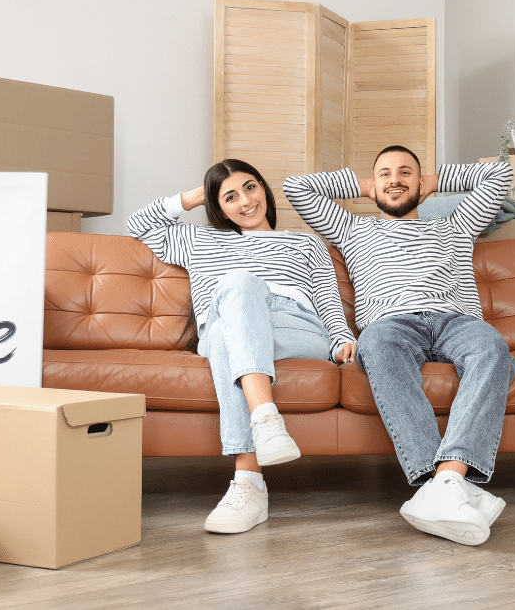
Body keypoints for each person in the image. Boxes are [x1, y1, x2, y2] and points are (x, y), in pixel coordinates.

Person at [283, 146, 515, 546]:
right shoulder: (351, 229)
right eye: (386, 174)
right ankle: (445, 484)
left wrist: (435, 181)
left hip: (455, 320)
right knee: (376, 345)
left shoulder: (457, 224)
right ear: (373, 185)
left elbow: (500, 175)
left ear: (421, 183)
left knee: (495, 349)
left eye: (406, 172)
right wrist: (367, 185)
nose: (396, 179)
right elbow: (297, 187)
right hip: (391, 325)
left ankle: (445, 480)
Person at [127, 159, 357, 534]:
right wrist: (200, 193)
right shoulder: (198, 239)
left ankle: (249, 481)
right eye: (230, 197)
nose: (246, 201)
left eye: (251, 187)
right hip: (227, 323)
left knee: (227, 329)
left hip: (295, 327)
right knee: (229, 310)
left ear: (264, 189)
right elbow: (138, 224)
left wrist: (342, 338)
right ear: (217, 207)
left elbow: (329, 301)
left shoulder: (306, 243)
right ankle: (264, 424)